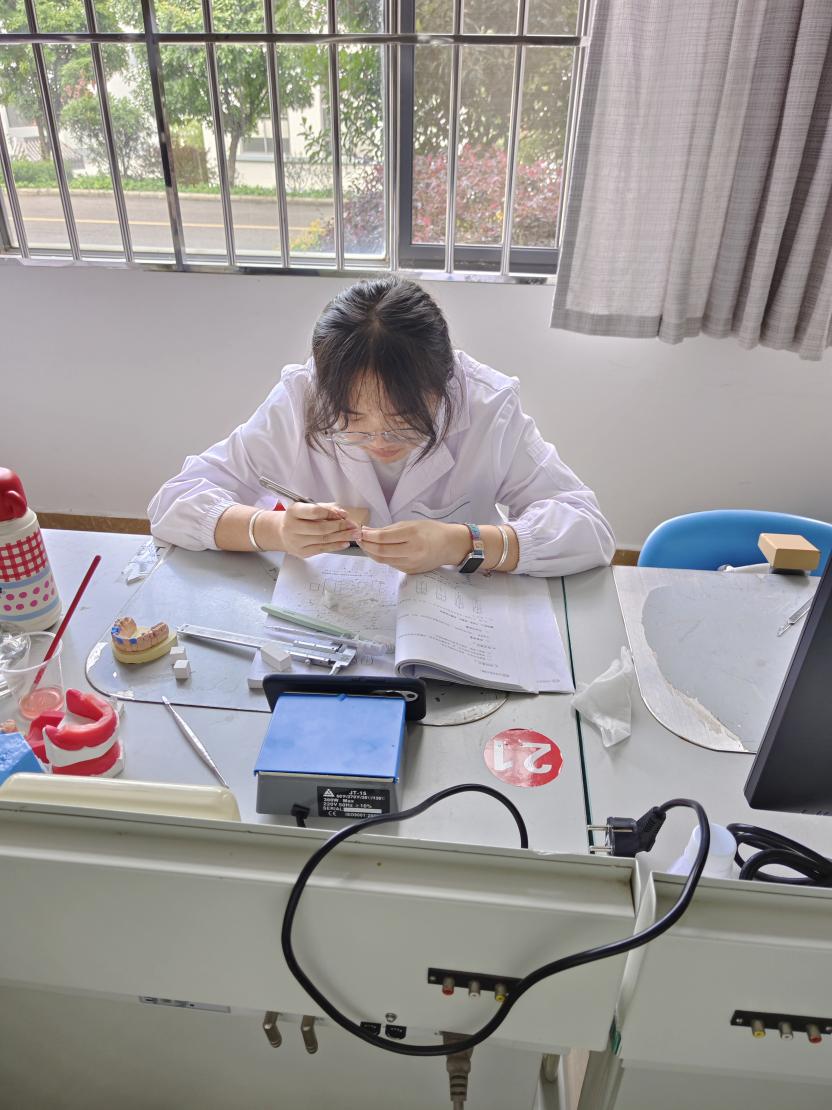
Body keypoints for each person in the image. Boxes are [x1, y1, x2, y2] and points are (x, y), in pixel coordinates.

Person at [148, 277, 615, 577]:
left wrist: (462, 542)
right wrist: (272, 530)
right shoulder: (300, 397)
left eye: (403, 423)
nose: (378, 442)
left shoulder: (488, 405)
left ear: (444, 385)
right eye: (352, 422)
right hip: (326, 617)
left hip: (455, 619)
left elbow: (588, 528)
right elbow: (173, 503)